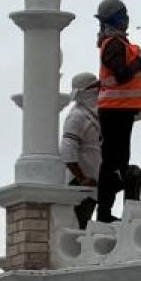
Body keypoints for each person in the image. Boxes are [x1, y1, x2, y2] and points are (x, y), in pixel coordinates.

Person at [94, 0, 141, 223]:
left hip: (121, 111)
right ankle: (104, 213)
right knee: (112, 163)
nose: (128, 20)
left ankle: (113, 209)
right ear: (117, 20)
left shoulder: (118, 43)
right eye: (124, 16)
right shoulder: (112, 44)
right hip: (114, 111)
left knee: (119, 162)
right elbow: (123, 74)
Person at [60, 73, 102, 228]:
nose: (99, 89)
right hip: (80, 185)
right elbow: (66, 150)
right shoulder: (76, 117)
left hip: (93, 183)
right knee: (79, 226)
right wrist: (82, 178)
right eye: (95, 86)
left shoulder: (94, 113)